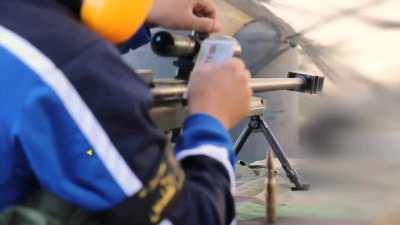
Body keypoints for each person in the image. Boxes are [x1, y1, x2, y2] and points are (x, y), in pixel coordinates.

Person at [0, 0, 252, 225]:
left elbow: (44, 35)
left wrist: (138, 10)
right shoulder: (76, 68)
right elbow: (189, 217)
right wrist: (212, 121)